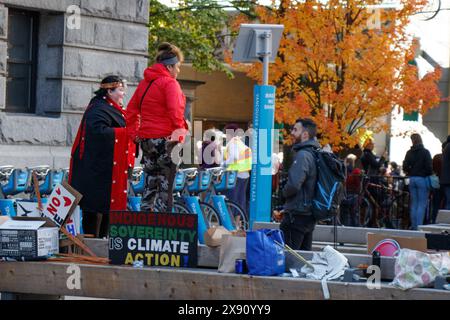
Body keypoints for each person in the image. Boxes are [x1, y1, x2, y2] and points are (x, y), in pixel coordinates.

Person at [69, 76, 135, 238]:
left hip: (108, 169)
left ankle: (104, 245)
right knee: (94, 209)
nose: (123, 94)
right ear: (109, 91)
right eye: (120, 90)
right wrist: (126, 133)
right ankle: (93, 246)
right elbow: (98, 133)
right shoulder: (98, 109)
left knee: (107, 210)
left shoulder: (112, 108)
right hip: (96, 171)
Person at [126, 42, 188, 212]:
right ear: (169, 67)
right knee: (166, 188)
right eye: (178, 66)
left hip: (147, 141)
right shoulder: (170, 84)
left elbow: (130, 111)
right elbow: (175, 112)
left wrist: (135, 134)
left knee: (150, 184)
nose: (178, 71)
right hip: (166, 141)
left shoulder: (144, 84)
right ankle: (163, 226)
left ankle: (146, 223)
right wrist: (180, 137)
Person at [279, 118, 320, 251]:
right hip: (308, 214)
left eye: (295, 130)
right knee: (303, 260)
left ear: (305, 135)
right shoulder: (314, 153)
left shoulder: (303, 155)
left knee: (289, 258)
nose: (292, 132)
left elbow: (294, 185)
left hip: (296, 215)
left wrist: (283, 192)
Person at [402, 133, 433, 230]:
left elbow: (405, 167)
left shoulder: (409, 153)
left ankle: (414, 225)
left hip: (412, 179)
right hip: (422, 179)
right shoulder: (425, 152)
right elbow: (429, 168)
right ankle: (419, 226)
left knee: (414, 203)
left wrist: (411, 170)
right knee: (421, 204)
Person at [223, 123, 252, 226]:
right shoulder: (241, 143)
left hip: (236, 175)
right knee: (241, 199)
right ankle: (238, 222)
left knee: (233, 199)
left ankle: (233, 224)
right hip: (245, 174)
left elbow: (234, 157)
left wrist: (224, 165)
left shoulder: (232, 143)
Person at [341, 154, 362, 226]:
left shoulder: (345, 170)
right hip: (353, 193)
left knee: (346, 213)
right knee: (353, 213)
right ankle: (354, 226)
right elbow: (357, 183)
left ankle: (346, 226)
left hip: (347, 193)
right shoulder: (356, 171)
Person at [431, 142, 446, 223]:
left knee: (436, 204)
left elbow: (433, 169)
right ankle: (443, 221)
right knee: (446, 203)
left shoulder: (437, 157)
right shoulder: (445, 157)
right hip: (446, 183)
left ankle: (434, 220)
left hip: (437, 183)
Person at [441, 136, 450, 210]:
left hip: (446, 179)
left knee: (448, 201)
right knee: (448, 202)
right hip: (448, 179)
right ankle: (447, 221)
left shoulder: (447, 146)